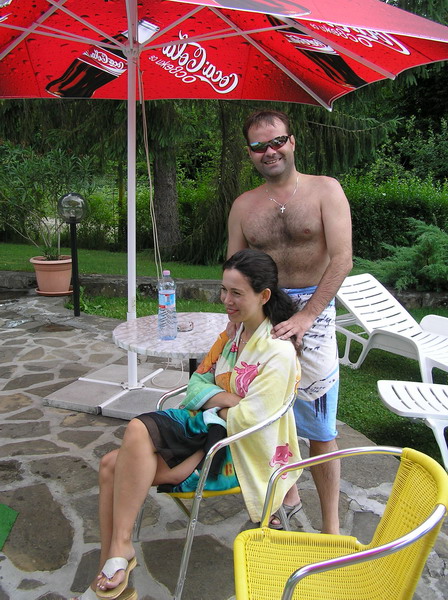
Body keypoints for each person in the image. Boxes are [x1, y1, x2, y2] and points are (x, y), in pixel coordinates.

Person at [72, 249, 303, 600]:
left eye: (236, 293)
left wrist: (205, 432)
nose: (226, 300)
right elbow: (196, 382)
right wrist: (225, 400)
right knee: (110, 464)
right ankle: (117, 558)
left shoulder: (277, 352)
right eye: (224, 290)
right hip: (209, 431)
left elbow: (251, 421)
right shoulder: (234, 335)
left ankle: (117, 561)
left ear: (264, 295)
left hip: (234, 455)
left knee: (125, 448)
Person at [227, 109, 353, 535]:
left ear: (292, 142)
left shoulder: (325, 190)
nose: (270, 151)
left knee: (320, 427)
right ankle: (285, 500)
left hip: (314, 311)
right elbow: (235, 269)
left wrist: (307, 315)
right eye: (259, 146)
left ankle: (331, 528)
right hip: (261, 311)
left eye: (277, 141)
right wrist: (233, 320)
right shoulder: (244, 206)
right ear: (249, 152)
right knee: (263, 415)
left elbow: (342, 259)